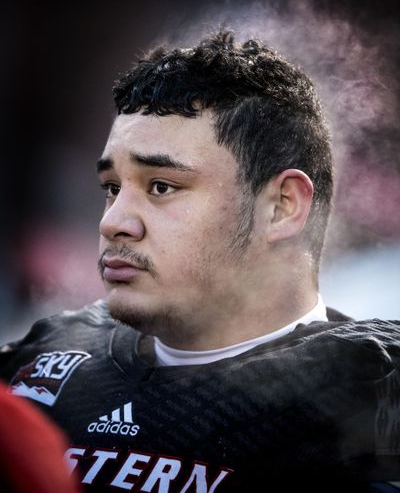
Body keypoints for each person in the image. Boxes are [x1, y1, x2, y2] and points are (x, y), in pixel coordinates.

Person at [0, 30, 399, 492]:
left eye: (161, 186)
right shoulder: (45, 360)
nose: (114, 222)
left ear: (283, 206)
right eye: (112, 187)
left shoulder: (372, 393)